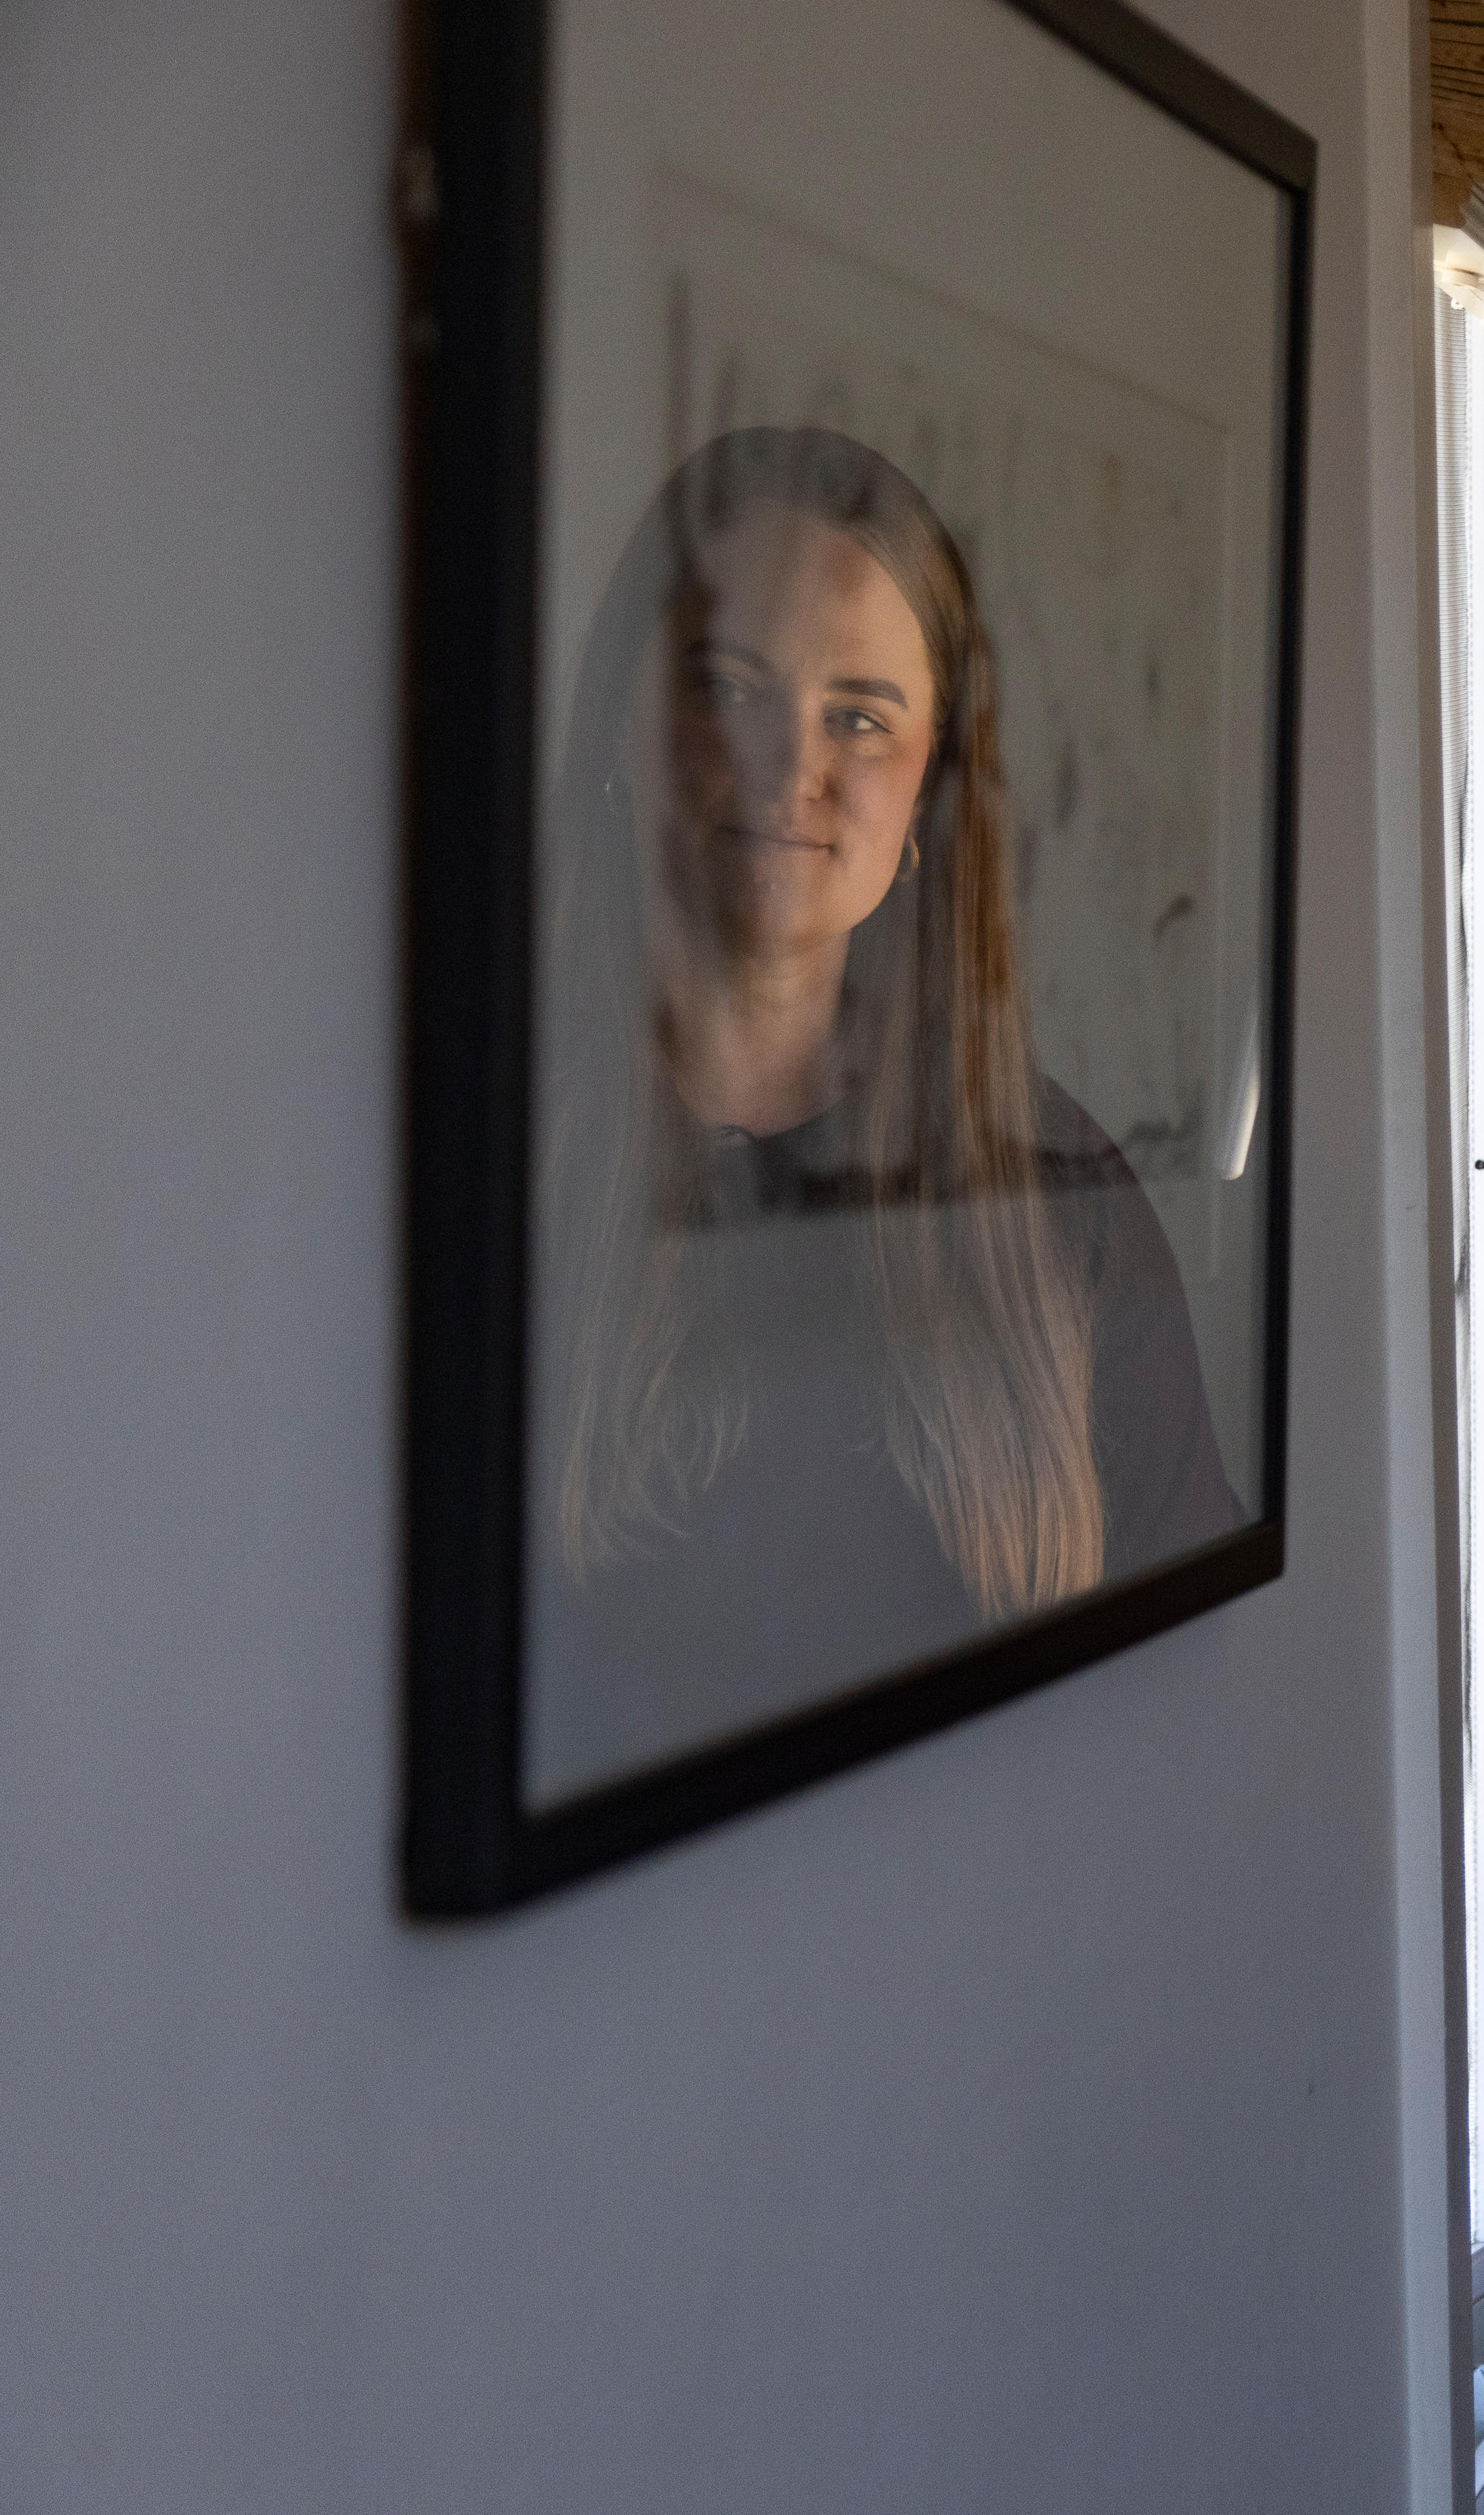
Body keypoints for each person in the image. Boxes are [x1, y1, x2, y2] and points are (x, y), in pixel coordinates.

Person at [531, 426, 1239, 1796]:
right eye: (725, 687)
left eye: (859, 716)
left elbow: (1180, 1729)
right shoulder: (486, 1175)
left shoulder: (1062, 1202)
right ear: (623, 725)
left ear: (929, 798)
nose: (785, 764)